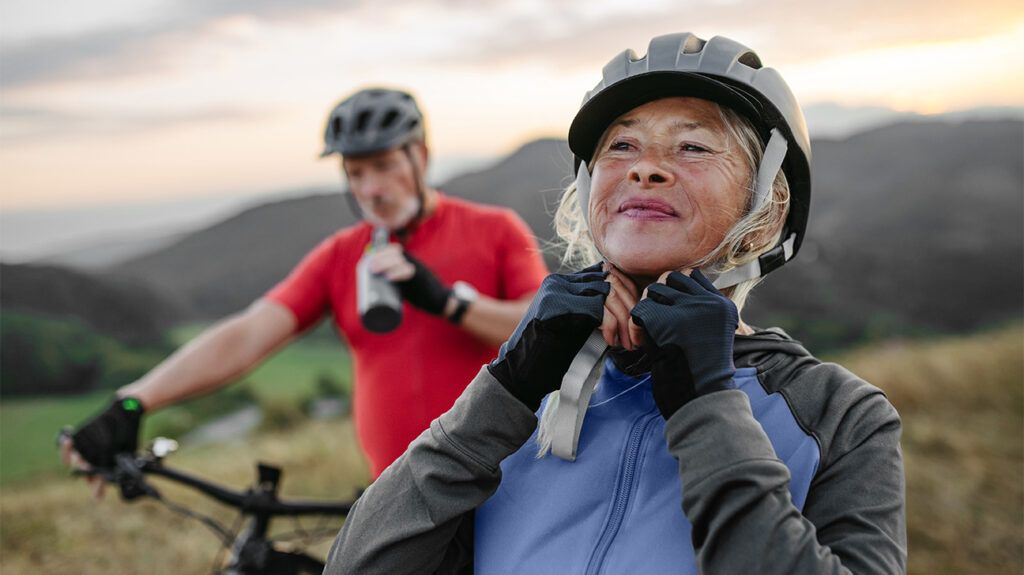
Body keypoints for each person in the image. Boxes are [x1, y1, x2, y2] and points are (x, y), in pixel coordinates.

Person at [323, 34, 906, 574]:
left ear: (766, 213)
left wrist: (707, 401)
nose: (644, 167)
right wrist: (507, 386)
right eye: (622, 145)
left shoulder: (837, 413)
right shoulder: (528, 404)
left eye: (694, 145)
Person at [61, 87, 549, 486]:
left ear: (420, 157)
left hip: (503, 477)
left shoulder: (495, 229)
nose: (371, 189)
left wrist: (448, 302)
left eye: (384, 166)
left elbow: (541, 326)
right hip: (397, 494)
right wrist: (134, 400)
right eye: (355, 172)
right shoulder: (342, 255)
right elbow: (248, 334)